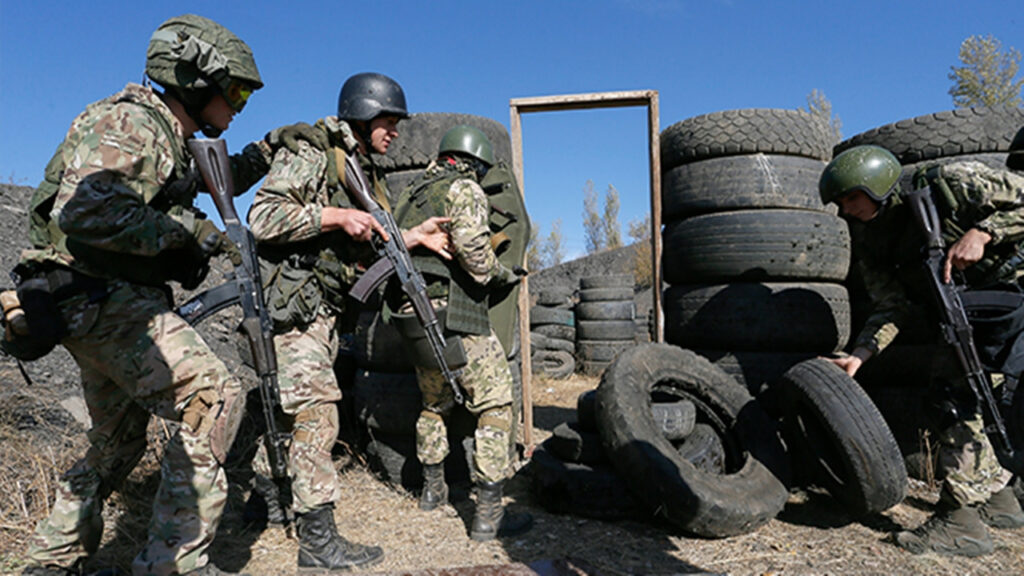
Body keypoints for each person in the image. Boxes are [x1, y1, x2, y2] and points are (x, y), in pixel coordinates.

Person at [16, 13, 321, 576]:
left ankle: (47, 562)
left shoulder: (165, 136)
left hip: (89, 305)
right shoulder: (134, 122)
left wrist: (268, 148)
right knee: (214, 399)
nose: (236, 107)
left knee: (117, 444)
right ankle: (172, 562)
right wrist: (190, 232)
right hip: (104, 300)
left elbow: (198, 179)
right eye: (233, 92)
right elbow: (87, 210)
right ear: (193, 79)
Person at [245, 72, 450, 570]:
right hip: (294, 312)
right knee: (318, 416)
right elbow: (262, 217)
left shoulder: (358, 168)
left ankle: (267, 501)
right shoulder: (315, 152)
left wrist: (413, 237)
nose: (395, 132)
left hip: (321, 312)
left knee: (299, 415)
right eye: (389, 120)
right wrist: (334, 218)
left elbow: (373, 231)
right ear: (362, 112)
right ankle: (317, 543)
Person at [819, 144, 1024, 557]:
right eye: (840, 202)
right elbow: (890, 305)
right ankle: (997, 502)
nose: (845, 209)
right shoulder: (874, 236)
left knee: (966, 400)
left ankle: (961, 524)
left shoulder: (952, 183)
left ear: (875, 185)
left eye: (851, 198)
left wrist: (984, 233)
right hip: (971, 315)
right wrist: (860, 354)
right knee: (956, 399)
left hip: (1014, 295)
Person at [390, 125, 532, 541]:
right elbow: (474, 255)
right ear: (473, 163)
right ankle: (488, 515)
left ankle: (433, 493)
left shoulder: (411, 195)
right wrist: (503, 274)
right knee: (495, 403)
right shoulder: (464, 188)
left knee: (435, 403)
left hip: (412, 313)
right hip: (455, 312)